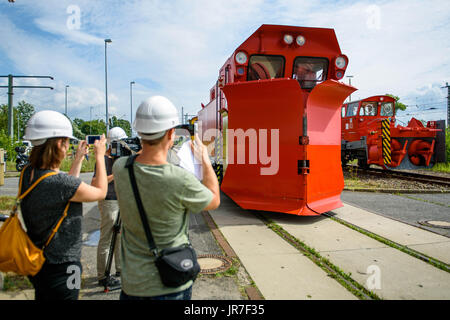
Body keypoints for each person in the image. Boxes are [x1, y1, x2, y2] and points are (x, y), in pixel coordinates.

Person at [113, 95, 220, 300]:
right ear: (171, 134)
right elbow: (214, 200)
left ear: (140, 131)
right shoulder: (179, 179)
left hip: (132, 285)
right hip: (170, 285)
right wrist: (205, 160)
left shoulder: (121, 168)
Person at [20, 110, 108, 300]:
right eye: (67, 143)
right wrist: (99, 156)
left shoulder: (28, 173)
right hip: (65, 266)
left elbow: (65, 189)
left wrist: (77, 159)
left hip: (38, 259)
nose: (68, 147)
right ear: (59, 143)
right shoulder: (59, 184)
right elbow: (100, 192)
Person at [92, 126, 127, 287]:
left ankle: (120, 269)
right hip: (108, 201)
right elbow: (96, 182)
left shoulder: (120, 159)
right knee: (106, 237)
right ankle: (102, 276)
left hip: (120, 200)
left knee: (120, 236)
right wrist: (116, 173)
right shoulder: (103, 160)